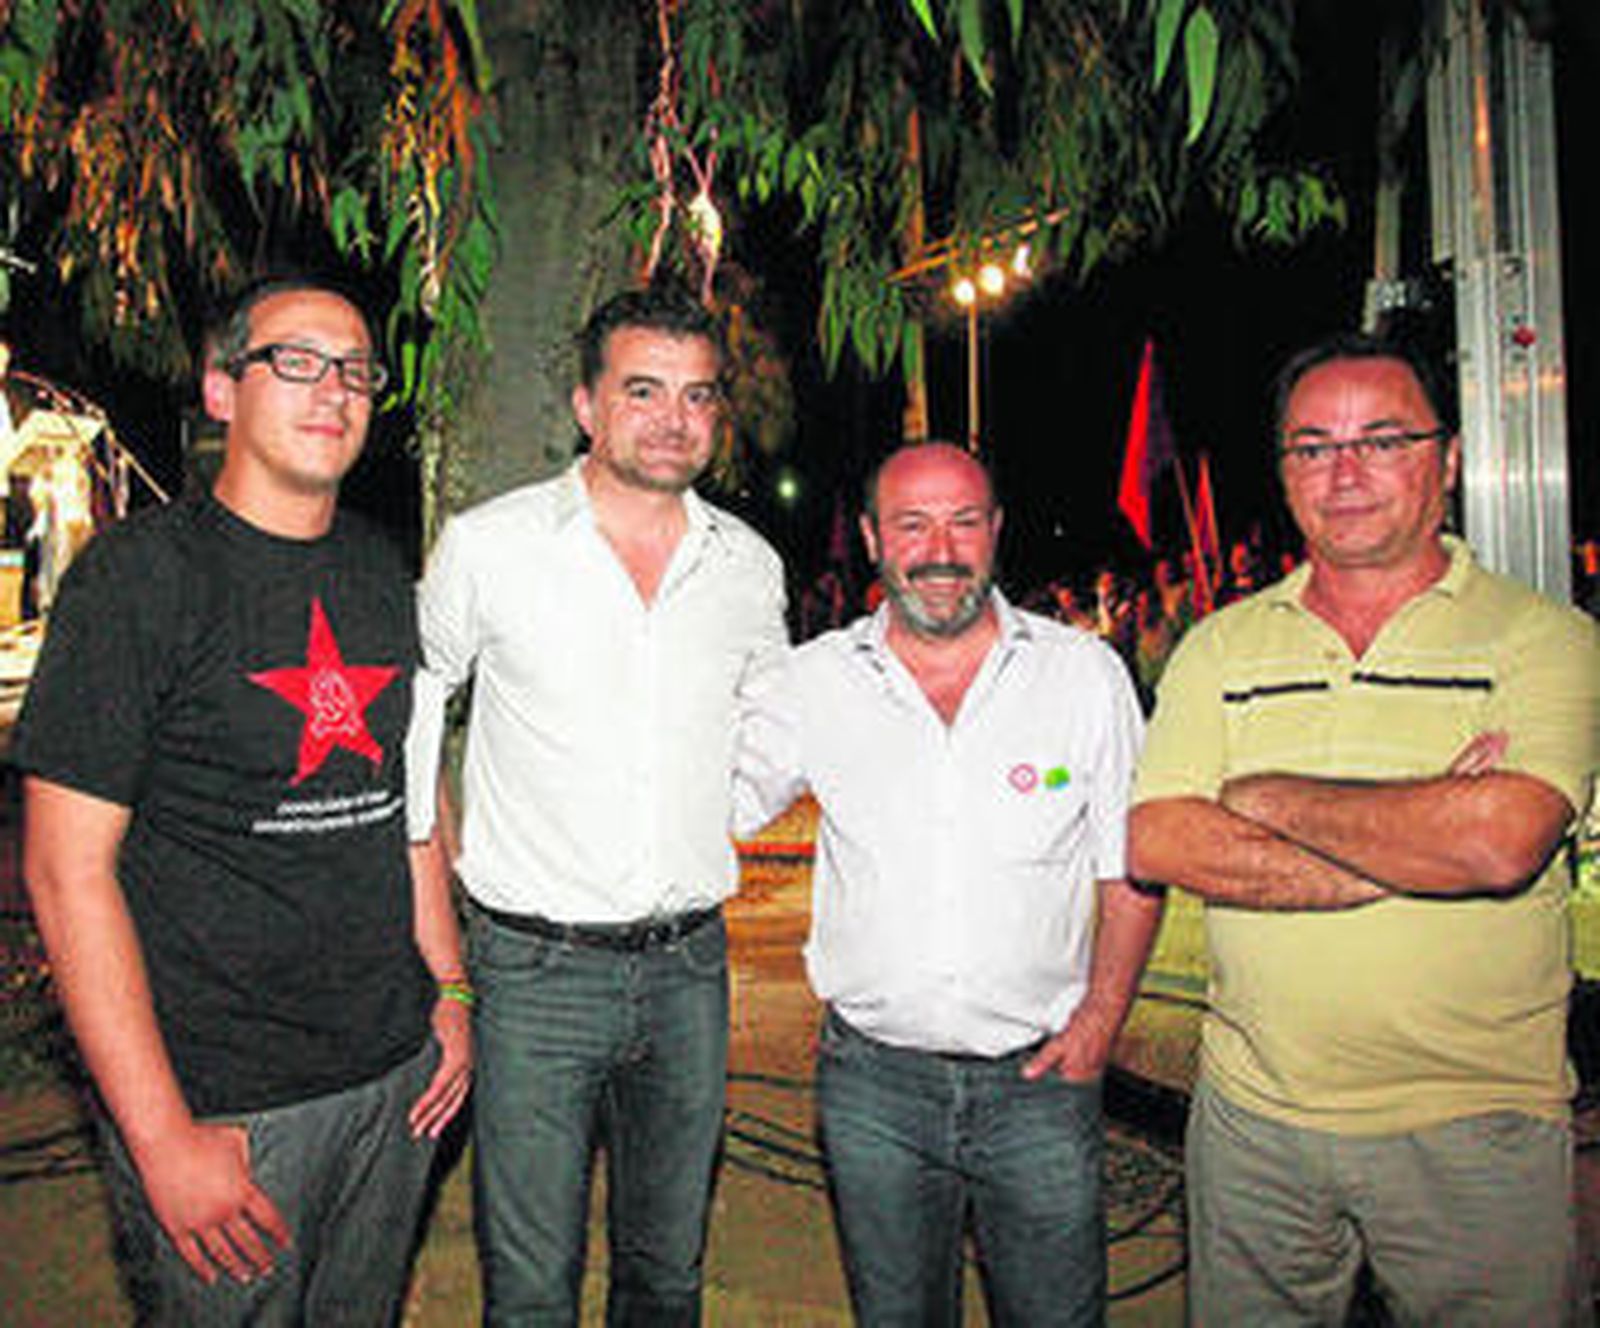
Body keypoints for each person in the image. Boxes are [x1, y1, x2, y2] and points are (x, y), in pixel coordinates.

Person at [14, 277, 471, 1324]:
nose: (334, 390)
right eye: (297, 362)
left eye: (356, 369)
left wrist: (451, 987)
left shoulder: (372, 566)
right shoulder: (138, 580)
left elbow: (407, 801)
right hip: (228, 1100)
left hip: (393, 1076)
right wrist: (160, 1133)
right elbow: (64, 868)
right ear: (222, 389)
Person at [1129, 334, 1600, 1325]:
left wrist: (1266, 793)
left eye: (1380, 440)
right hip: (1253, 1122)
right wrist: (1422, 828)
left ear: (1450, 460)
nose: (1342, 473)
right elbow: (1161, 840)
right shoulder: (1220, 645)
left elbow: (1500, 842)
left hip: (1475, 1126)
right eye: (1310, 447)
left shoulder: (1547, 639)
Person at [406, 284, 787, 1324]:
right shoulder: (490, 545)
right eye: (643, 390)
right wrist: (437, 928)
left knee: (666, 1272)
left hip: (689, 969)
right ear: (586, 404)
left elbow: (772, 723)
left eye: (699, 396)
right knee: (529, 1289)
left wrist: (703, 816)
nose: (674, 418)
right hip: (532, 973)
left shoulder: (747, 567)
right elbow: (413, 712)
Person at [735, 442, 1159, 1326]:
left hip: (1042, 1085)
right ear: (870, 537)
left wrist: (1101, 1022)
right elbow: (711, 805)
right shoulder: (812, 682)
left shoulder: (1083, 676)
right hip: (873, 1091)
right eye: (913, 524)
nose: (941, 550)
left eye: (964, 522)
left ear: (996, 532)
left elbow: (1131, 866)